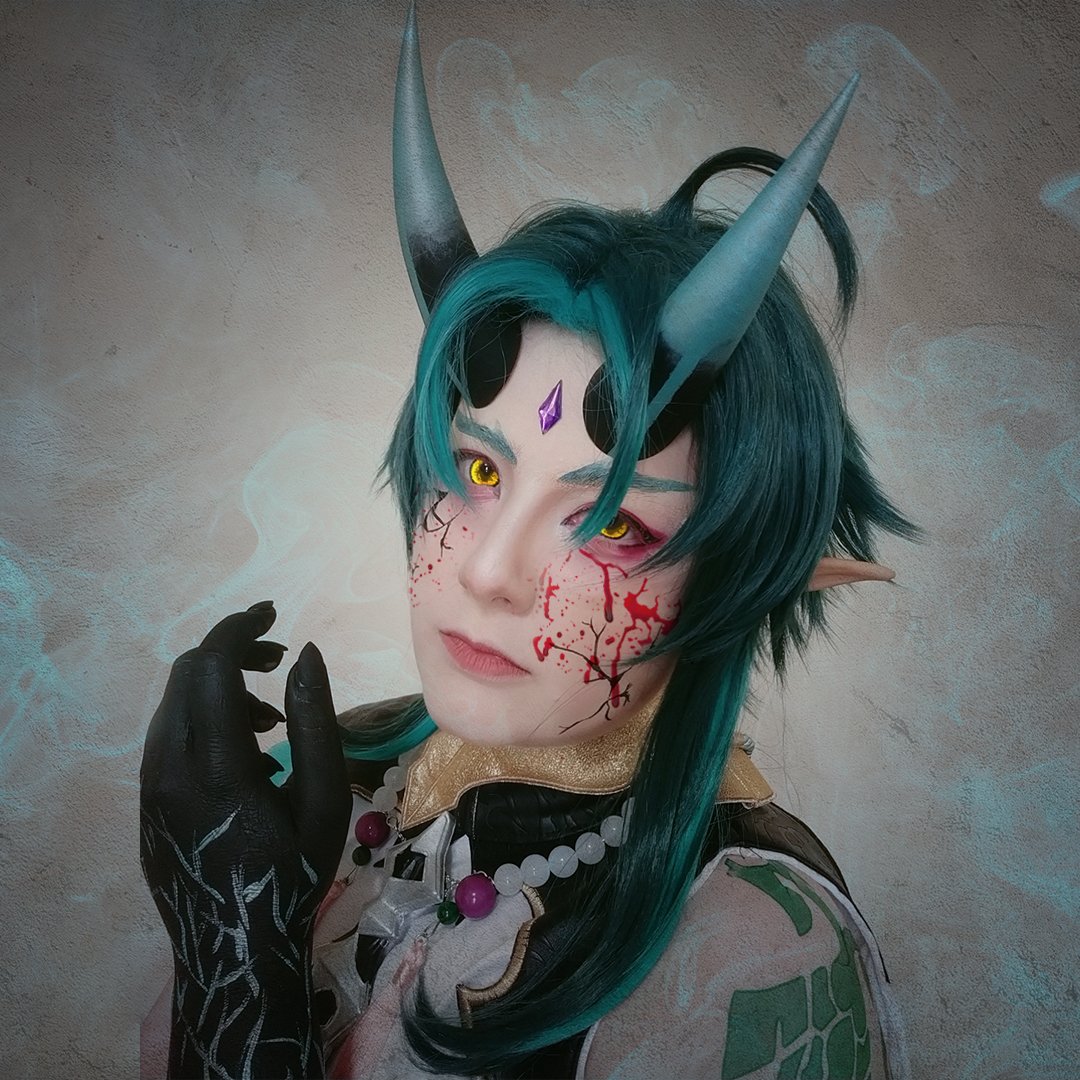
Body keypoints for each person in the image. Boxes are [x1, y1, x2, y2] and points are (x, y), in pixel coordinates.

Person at [141, 6, 915, 1078]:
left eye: (613, 522)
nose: (489, 571)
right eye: (479, 472)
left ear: (737, 577)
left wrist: (239, 967)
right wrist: (236, 917)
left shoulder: (748, 946)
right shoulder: (343, 788)